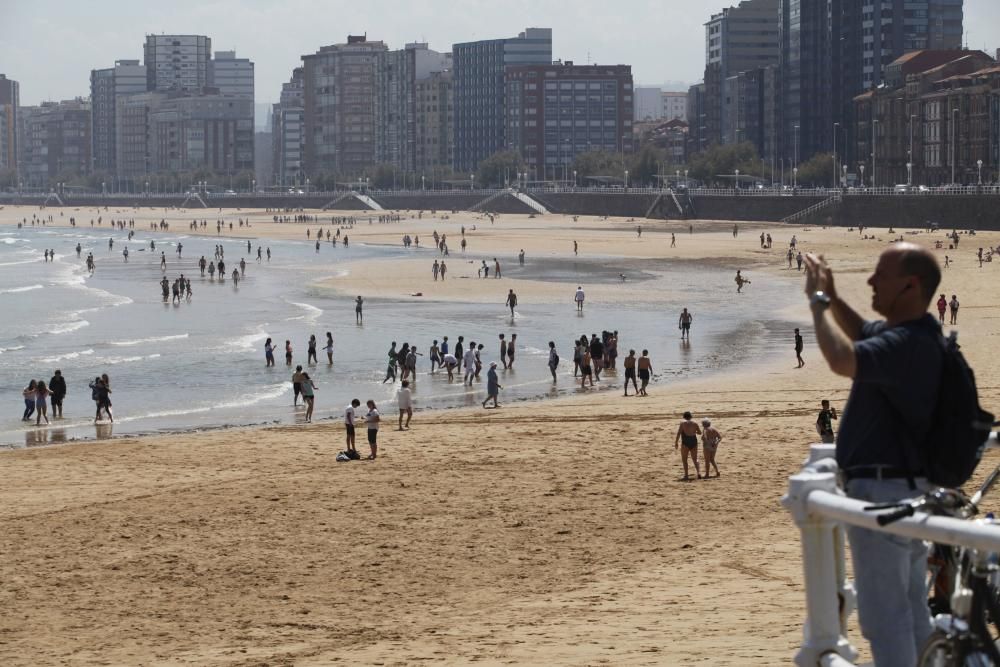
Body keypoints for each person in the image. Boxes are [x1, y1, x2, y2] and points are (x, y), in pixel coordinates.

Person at [803, 243, 945, 664]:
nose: (870, 281)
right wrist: (833, 295)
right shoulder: (913, 335)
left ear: (910, 285)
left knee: (886, 618)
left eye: (879, 274)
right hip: (906, 488)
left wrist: (816, 303)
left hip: (883, 496)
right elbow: (863, 335)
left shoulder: (905, 344)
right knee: (912, 607)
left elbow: (843, 359)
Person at [674, 411, 702, 480]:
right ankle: (698, 472)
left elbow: (679, 433)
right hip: (693, 441)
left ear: (684, 416)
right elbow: (699, 432)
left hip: (685, 442)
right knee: (695, 459)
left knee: (684, 460)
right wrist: (694, 431)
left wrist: (676, 442)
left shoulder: (682, 423)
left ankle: (686, 475)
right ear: (691, 416)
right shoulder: (695, 423)